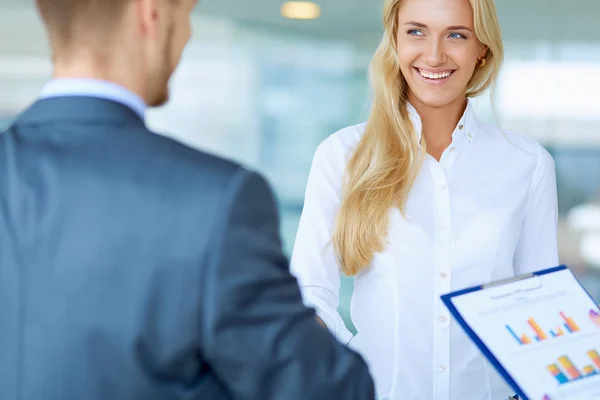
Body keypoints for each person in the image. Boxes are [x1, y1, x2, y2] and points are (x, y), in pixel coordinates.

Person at [0, 0, 376, 399]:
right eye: (185, 16)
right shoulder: (218, 199)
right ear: (152, 15)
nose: (187, 36)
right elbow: (329, 388)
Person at [290, 0, 558, 399]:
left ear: (481, 47)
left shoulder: (528, 163)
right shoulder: (342, 154)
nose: (434, 55)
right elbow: (310, 292)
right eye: (416, 31)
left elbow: (539, 304)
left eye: (456, 35)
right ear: (395, 39)